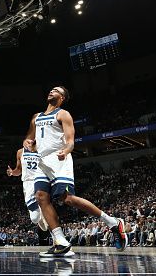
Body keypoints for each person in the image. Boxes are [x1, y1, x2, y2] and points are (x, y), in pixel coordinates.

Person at [23, 86, 127, 256]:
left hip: (58, 158)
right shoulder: (36, 117)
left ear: (62, 98)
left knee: (68, 199)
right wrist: (28, 143)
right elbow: (30, 138)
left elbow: (70, 140)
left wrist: (66, 150)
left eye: (56, 90)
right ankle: (60, 242)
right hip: (42, 160)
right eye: (51, 89)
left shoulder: (63, 114)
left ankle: (113, 222)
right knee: (41, 197)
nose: (51, 91)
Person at [6, 146, 48, 232]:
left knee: (46, 207)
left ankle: (56, 238)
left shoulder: (43, 149)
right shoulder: (20, 152)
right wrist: (12, 172)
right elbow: (18, 170)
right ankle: (39, 217)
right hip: (27, 183)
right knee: (34, 219)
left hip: (39, 180)